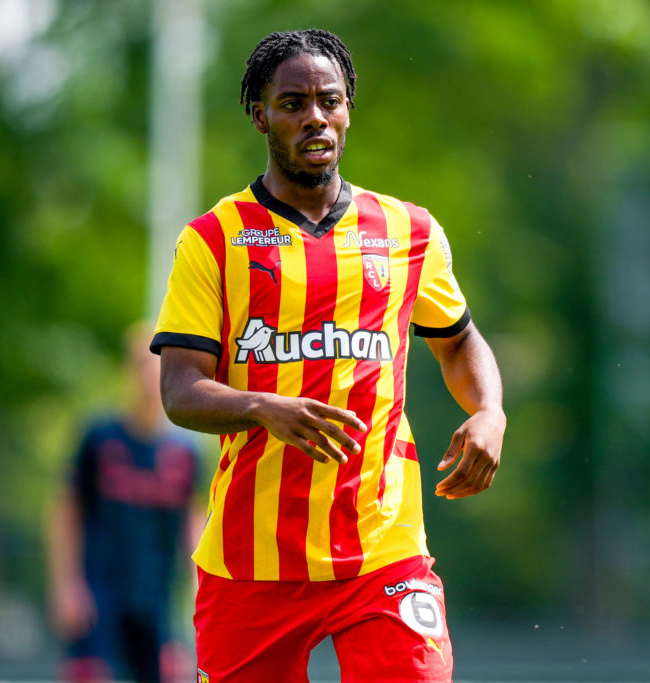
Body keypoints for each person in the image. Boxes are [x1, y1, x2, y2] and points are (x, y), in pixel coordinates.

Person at [150, 28, 506, 682]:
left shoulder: (407, 231)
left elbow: (459, 340)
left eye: (328, 100)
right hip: (251, 561)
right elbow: (179, 389)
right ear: (261, 116)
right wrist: (262, 406)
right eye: (292, 103)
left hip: (382, 552)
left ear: (346, 110)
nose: (314, 115)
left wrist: (489, 411)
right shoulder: (214, 240)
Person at [47, 323, 203, 683]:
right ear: (130, 370)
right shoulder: (100, 439)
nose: (150, 377)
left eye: (158, 367)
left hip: (157, 597)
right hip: (100, 592)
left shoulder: (184, 452)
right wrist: (66, 584)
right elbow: (64, 512)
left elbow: (193, 524)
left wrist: (198, 591)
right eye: (142, 366)